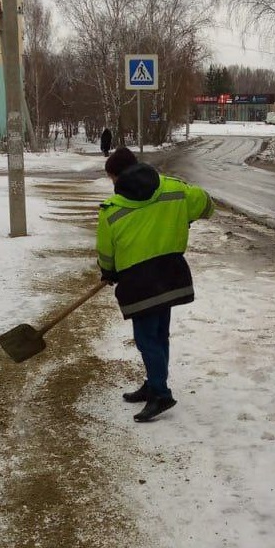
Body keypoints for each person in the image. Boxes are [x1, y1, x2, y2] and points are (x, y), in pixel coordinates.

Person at [97, 147, 214, 422]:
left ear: (117, 176)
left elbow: (106, 250)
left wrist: (109, 271)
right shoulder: (175, 189)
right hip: (171, 274)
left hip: (139, 283)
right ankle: (154, 383)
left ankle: (160, 393)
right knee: (159, 334)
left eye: (111, 177)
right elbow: (207, 204)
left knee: (147, 339)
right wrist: (184, 216)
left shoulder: (112, 210)